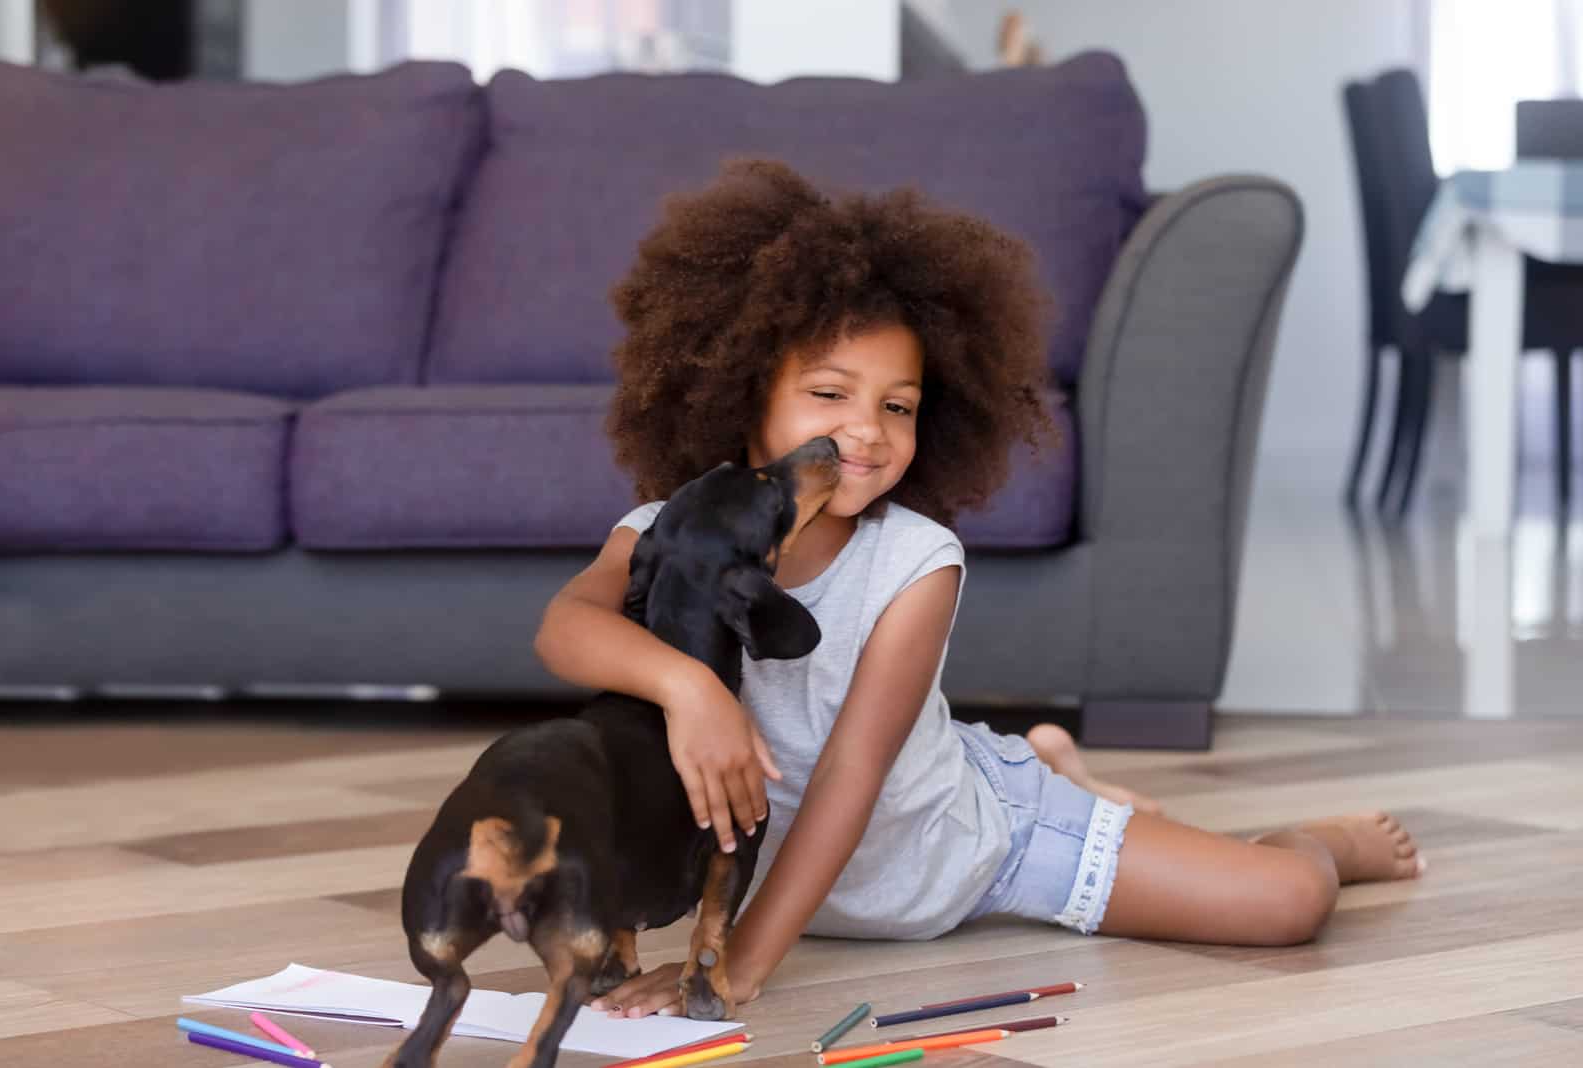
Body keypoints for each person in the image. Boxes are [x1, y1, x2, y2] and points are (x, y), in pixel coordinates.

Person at [533, 159, 1424, 1018]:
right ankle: (1068, 768)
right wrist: (686, 686)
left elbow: (852, 772)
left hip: (972, 848)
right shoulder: (670, 533)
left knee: (1286, 904)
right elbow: (567, 625)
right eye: (828, 393)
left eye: (899, 405)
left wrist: (734, 967)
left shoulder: (917, 561)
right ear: (740, 395)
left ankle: (1318, 840)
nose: (866, 432)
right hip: (793, 882)